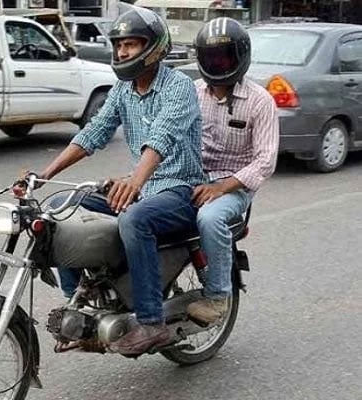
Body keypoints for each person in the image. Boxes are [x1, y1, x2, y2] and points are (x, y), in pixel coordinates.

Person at [31, 5, 204, 355]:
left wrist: (135, 181)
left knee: (134, 218)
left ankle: (152, 322)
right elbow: (93, 133)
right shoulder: (123, 90)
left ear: (154, 48)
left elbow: (162, 137)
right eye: (119, 45)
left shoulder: (179, 86)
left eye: (132, 44)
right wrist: (44, 175)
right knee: (58, 209)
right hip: (140, 186)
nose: (123, 52)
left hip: (180, 189)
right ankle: (78, 307)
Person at [186, 17, 279, 324]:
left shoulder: (260, 101)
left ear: (240, 57)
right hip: (192, 177)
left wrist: (221, 187)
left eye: (223, 56)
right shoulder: (192, 92)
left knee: (209, 218)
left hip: (235, 187)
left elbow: (265, 161)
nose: (216, 64)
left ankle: (217, 297)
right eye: (210, 56)